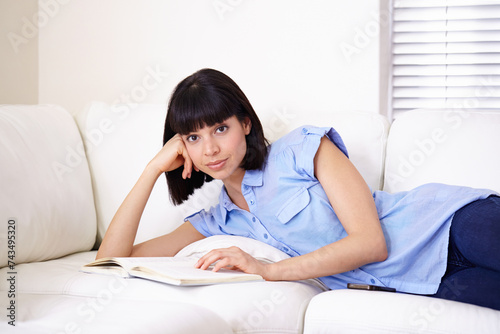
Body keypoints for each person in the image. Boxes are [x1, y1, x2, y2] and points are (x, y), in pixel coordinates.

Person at [97, 68, 500, 310]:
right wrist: (151, 169)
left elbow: (371, 244)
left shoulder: (302, 149)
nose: (211, 149)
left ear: (246, 124)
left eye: (220, 128)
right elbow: (109, 259)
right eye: (193, 137)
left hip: (446, 224)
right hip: (432, 282)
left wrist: (268, 270)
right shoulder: (218, 221)